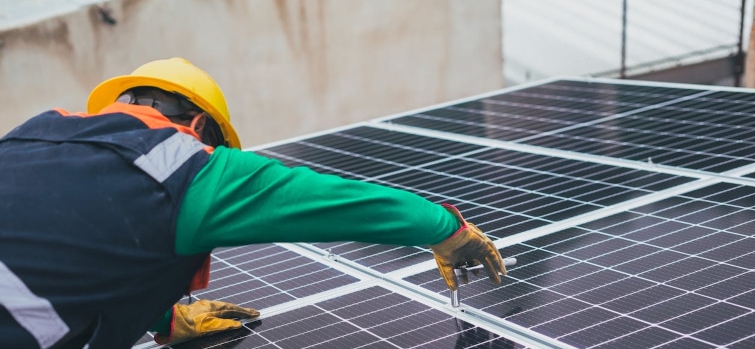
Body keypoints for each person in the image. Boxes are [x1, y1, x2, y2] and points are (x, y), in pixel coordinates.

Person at [0, 58, 507, 349]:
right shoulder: (187, 163)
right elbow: (338, 201)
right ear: (201, 128)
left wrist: (164, 318)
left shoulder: (31, 134)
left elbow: (73, 242)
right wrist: (447, 229)